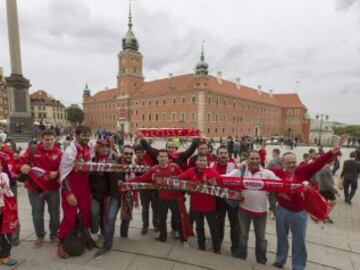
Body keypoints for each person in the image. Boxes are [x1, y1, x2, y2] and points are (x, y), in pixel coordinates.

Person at [268, 135, 346, 270]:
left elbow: (318, 163)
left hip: (299, 213)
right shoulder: (277, 173)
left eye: (294, 162)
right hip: (282, 210)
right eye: (289, 163)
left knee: (299, 240)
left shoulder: (303, 170)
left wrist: (332, 151)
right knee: (282, 237)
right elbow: (261, 173)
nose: (292, 164)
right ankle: (280, 260)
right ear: (283, 164)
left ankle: (298, 266)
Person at [228, 150, 278, 264]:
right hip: (243, 210)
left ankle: (261, 260)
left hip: (260, 212)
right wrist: (238, 167)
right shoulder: (241, 171)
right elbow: (226, 177)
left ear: (260, 160)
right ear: (248, 159)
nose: (255, 161)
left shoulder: (267, 173)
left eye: (257, 159)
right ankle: (241, 255)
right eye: (252, 158)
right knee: (243, 235)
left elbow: (280, 183)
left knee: (260, 238)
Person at [17, 130, 62, 247]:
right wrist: (22, 167)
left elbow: (64, 169)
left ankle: (54, 233)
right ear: (42, 139)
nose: (49, 142)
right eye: (46, 139)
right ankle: (39, 235)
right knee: (37, 213)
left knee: (55, 213)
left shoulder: (59, 152)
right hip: (34, 188)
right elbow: (19, 162)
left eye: (51, 139)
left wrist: (56, 173)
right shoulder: (32, 150)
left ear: (55, 139)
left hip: (52, 188)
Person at [130, 150, 184, 244]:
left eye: (165, 156)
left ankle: (183, 239)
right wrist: (129, 182)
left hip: (174, 199)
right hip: (161, 199)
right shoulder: (154, 169)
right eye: (161, 156)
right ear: (157, 158)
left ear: (168, 158)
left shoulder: (175, 167)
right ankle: (163, 239)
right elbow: (142, 178)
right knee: (162, 220)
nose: (163, 158)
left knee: (178, 219)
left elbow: (184, 177)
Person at [57, 125, 95, 258]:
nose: (86, 138)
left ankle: (83, 239)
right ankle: (61, 244)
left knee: (85, 215)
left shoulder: (88, 147)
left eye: (88, 135)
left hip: (84, 188)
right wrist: (68, 193)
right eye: (83, 135)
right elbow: (63, 174)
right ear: (77, 135)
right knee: (69, 218)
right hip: (72, 189)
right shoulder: (70, 151)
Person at [94, 145, 135, 257]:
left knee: (126, 218)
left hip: (127, 196)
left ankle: (124, 235)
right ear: (121, 153)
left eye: (131, 154)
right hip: (114, 195)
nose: (128, 156)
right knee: (110, 219)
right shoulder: (113, 163)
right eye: (126, 153)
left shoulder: (134, 166)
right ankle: (107, 244)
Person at [179, 155, 222, 253]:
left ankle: (217, 247)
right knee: (199, 227)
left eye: (204, 160)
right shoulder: (191, 171)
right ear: (196, 162)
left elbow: (221, 182)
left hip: (210, 207)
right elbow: (180, 177)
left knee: (213, 228)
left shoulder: (212, 172)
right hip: (196, 206)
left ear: (207, 162)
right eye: (200, 160)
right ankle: (201, 245)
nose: (202, 162)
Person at [210, 146, 239, 255]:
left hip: (232, 200)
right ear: (217, 155)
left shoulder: (234, 165)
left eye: (225, 153)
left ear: (228, 154)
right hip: (218, 199)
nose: (223, 155)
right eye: (221, 153)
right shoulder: (212, 165)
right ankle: (217, 245)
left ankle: (235, 248)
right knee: (219, 223)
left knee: (234, 224)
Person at [89, 139, 117, 241]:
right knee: (94, 212)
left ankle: (104, 231)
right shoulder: (92, 159)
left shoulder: (114, 158)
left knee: (105, 214)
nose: (104, 149)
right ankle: (94, 231)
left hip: (108, 193)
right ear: (97, 148)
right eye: (102, 146)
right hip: (94, 193)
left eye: (106, 146)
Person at [133, 144, 158, 235]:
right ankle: (145, 225)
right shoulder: (134, 163)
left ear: (144, 152)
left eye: (141, 152)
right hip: (144, 190)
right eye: (137, 153)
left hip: (153, 188)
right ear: (135, 153)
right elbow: (135, 176)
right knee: (145, 209)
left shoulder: (150, 159)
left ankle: (156, 225)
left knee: (155, 208)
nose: (139, 154)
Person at [0, 163, 17, 266]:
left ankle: (4, 256)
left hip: (4, 208)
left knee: (6, 232)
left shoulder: (4, 175)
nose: (1, 167)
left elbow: (7, 191)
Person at [317, 159, 339, 223]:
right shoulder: (325, 169)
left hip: (328, 188)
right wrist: (336, 191)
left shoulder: (327, 168)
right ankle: (323, 216)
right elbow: (327, 183)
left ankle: (324, 215)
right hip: (325, 189)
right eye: (334, 161)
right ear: (331, 161)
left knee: (333, 202)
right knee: (325, 204)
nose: (334, 162)